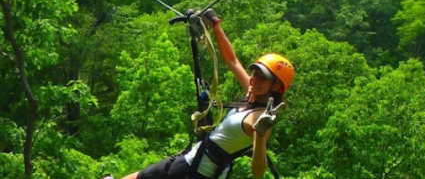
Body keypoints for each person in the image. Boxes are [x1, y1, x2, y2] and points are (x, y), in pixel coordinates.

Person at [121, 9, 295, 179]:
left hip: (197, 172)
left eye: (262, 77)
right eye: (254, 73)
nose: (254, 79)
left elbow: (258, 172)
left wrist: (261, 132)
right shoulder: (253, 93)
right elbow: (232, 61)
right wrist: (215, 23)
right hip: (188, 161)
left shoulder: (260, 119)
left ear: (276, 86)